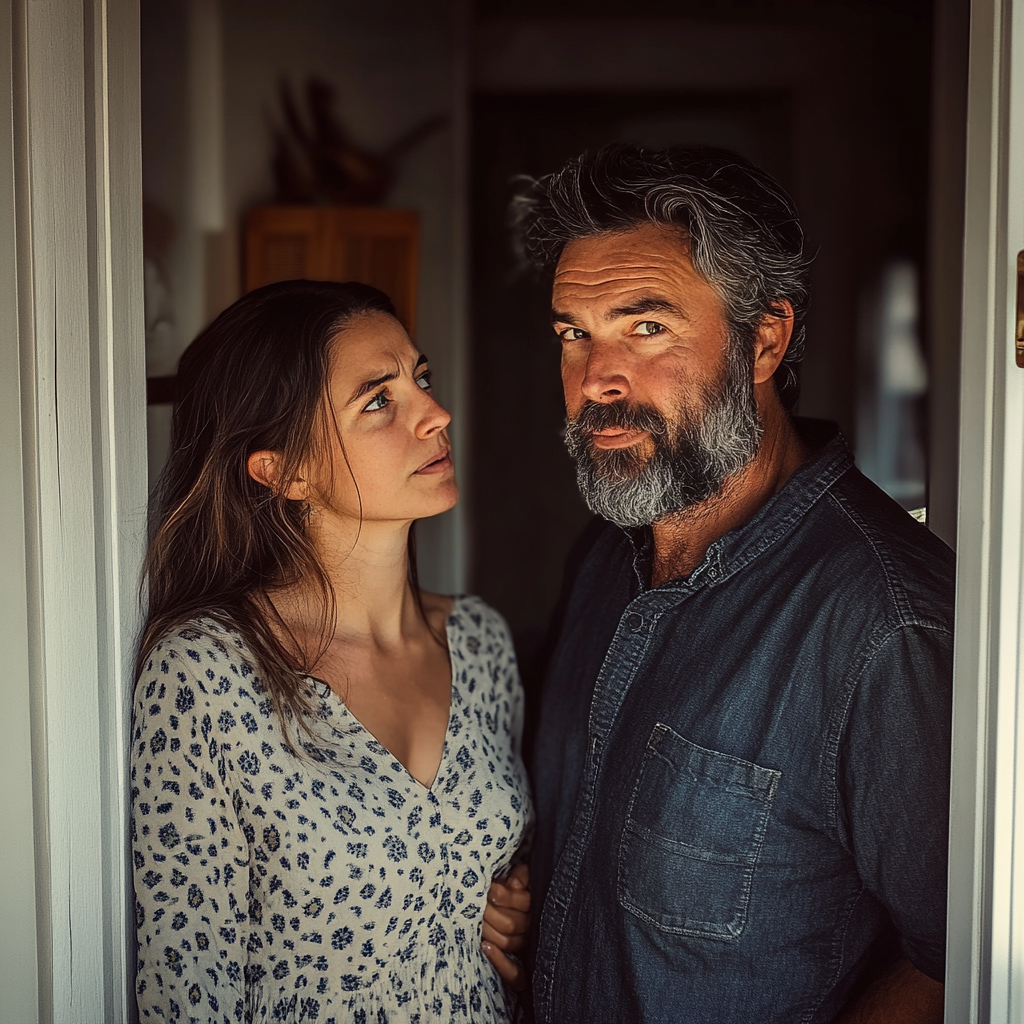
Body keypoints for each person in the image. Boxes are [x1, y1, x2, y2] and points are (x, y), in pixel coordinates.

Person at [514, 146, 952, 1024]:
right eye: (574, 332)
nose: (595, 380)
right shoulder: (603, 558)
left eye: (646, 328)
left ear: (765, 340)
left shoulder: (884, 627)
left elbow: (956, 964)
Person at [131, 280, 532, 1023]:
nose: (436, 415)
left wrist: (507, 902)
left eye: (421, 379)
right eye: (378, 401)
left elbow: (467, 879)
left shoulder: (480, 642)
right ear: (283, 471)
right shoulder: (206, 676)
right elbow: (188, 989)